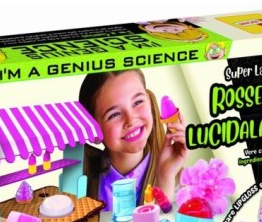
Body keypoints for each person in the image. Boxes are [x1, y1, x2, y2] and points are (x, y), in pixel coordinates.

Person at [79, 69, 188, 210]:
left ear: (149, 102)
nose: (130, 120)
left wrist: (164, 177)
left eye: (137, 102)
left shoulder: (181, 184)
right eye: (114, 115)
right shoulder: (81, 188)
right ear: (93, 131)